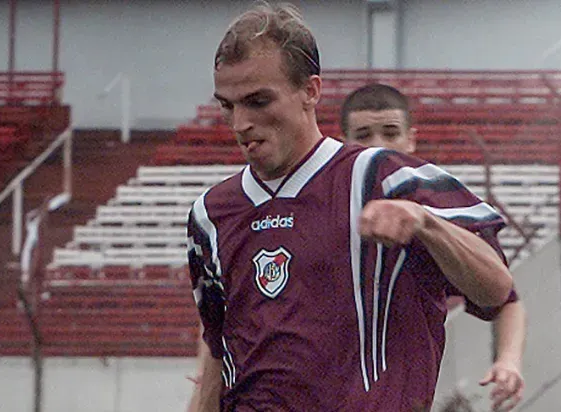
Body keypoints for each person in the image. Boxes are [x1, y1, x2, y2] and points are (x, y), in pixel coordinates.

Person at [187, 2, 514, 411]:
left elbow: (497, 289)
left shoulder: (387, 177)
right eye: (227, 105)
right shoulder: (210, 215)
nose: (239, 124)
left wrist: (426, 224)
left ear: (311, 91)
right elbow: (217, 351)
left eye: (258, 101)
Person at [339, 83, 526, 412]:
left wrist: (508, 361)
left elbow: (505, 297)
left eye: (390, 133)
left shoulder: (434, 209)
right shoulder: (329, 206)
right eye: (364, 135)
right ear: (343, 143)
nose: (378, 146)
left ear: (412, 138)